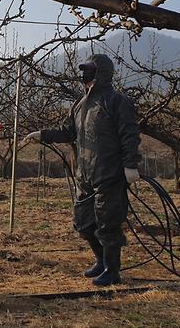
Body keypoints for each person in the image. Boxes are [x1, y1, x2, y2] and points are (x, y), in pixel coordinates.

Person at [23, 54, 141, 286]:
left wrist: (130, 164)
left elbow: (130, 134)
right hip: (85, 174)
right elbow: (68, 132)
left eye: (90, 70)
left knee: (108, 223)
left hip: (110, 174)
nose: (85, 75)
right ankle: (101, 260)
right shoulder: (80, 105)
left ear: (101, 73)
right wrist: (43, 135)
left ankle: (112, 270)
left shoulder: (116, 101)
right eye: (84, 70)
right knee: (84, 222)